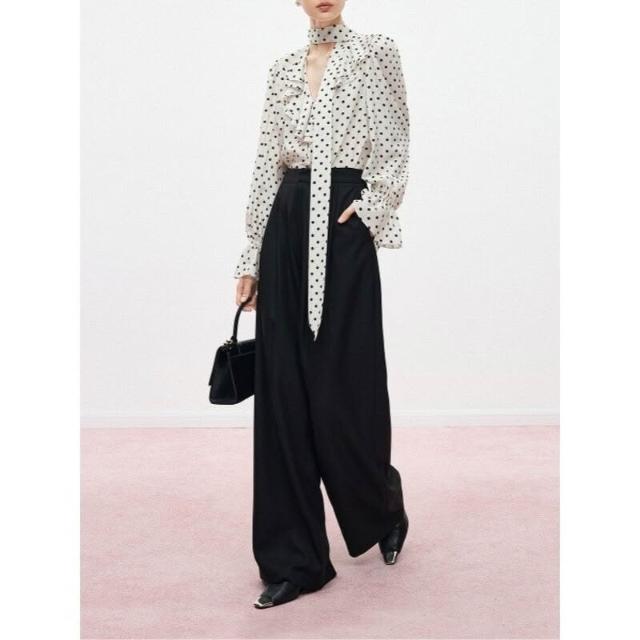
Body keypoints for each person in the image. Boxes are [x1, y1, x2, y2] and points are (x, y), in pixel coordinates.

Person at [233, 0, 410, 609]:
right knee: (282, 395)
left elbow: (395, 142)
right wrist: (250, 258)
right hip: (286, 226)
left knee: (347, 387)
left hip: (343, 223)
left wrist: (371, 211)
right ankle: (296, 560)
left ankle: (381, 502)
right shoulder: (282, 67)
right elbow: (267, 163)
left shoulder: (376, 53)